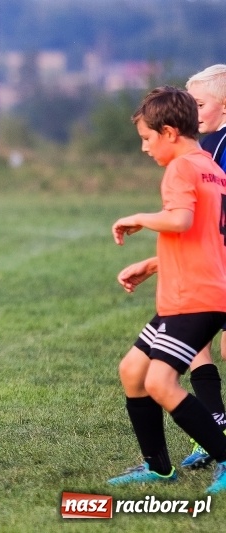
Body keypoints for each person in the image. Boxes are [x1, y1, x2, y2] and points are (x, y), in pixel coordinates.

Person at [107, 86, 226, 494]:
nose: (145, 148)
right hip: (192, 290)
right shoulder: (211, 166)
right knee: (132, 371)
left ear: (170, 132)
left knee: (160, 382)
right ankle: (157, 467)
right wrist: (154, 264)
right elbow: (208, 235)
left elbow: (179, 220)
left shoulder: (181, 168)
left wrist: (138, 217)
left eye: (147, 138)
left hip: (195, 297)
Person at [175, 65, 226, 469]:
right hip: (212, 258)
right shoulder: (209, 144)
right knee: (197, 341)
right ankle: (213, 430)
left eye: (199, 104)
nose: (192, 112)